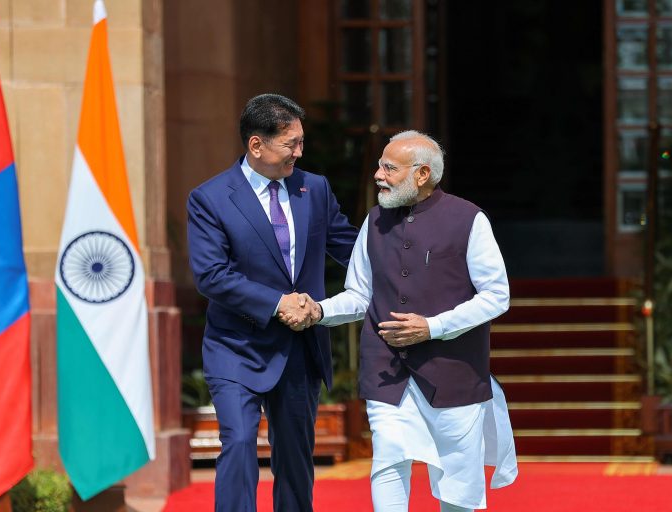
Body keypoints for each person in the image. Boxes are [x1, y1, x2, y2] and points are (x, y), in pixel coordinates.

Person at [282, 130, 518, 511]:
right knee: (388, 463)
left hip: (454, 372)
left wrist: (433, 327)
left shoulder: (469, 219)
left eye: (389, 168)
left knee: (457, 487)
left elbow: (496, 295)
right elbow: (359, 295)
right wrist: (319, 312)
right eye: (379, 165)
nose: (378, 175)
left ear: (422, 174)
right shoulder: (374, 221)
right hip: (386, 372)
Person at [187, 93, 358, 512]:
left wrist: (407, 261)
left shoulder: (313, 188)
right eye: (291, 143)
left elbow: (350, 247)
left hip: (299, 347)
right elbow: (212, 275)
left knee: (296, 458)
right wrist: (278, 302)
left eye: (302, 142)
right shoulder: (210, 198)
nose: (299, 152)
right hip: (237, 346)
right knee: (239, 441)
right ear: (256, 145)